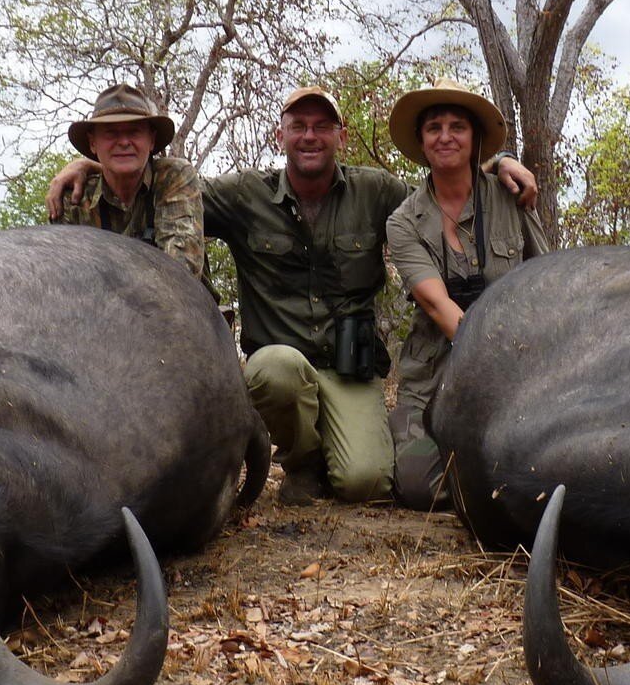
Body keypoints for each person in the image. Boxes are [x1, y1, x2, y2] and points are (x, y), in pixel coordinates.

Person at [47, 84, 538, 504]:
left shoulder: (379, 192)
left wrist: (497, 163)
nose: (309, 136)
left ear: (340, 137)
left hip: (350, 367)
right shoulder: (241, 194)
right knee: (275, 370)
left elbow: (440, 188)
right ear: (279, 135)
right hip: (280, 365)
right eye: (297, 125)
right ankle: (301, 464)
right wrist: (93, 166)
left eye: (322, 126)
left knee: (367, 482)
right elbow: (159, 186)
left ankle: (342, 450)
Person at [384, 81, 548, 509]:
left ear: (474, 138)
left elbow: (548, 279)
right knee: (421, 487)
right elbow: (438, 306)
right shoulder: (404, 223)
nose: (445, 136)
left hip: (518, 362)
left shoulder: (511, 196)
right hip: (438, 371)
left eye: (458, 126)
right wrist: (493, 367)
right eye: (434, 127)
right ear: (421, 141)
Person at [54, 83, 204, 276]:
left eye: (134, 132)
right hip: (95, 306)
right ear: (93, 142)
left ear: (151, 140)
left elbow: (180, 274)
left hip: (175, 304)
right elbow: (64, 280)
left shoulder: (173, 178)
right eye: (111, 133)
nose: (124, 142)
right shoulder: (73, 199)